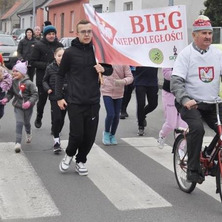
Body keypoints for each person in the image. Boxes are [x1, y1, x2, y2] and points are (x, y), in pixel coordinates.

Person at [56, 19, 113, 176]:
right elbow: (60, 75)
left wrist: (104, 68)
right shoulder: (69, 53)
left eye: (89, 31)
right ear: (77, 33)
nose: (87, 34)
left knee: (89, 136)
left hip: (93, 101)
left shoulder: (97, 51)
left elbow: (109, 70)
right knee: (77, 134)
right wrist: (59, 97)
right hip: (75, 101)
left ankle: (81, 160)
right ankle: (69, 155)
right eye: (83, 32)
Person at [170, 15, 222, 184]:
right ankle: (192, 169)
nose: (208, 36)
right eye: (204, 33)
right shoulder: (186, 54)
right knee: (197, 128)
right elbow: (176, 81)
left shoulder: (217, 54)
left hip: (212, 103)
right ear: (194, 35)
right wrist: (185, 99)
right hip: (191, 104)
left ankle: (210, 155)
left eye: (210, 33)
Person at [0, 61, 38, 153]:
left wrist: (29, 102)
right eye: (13, 71)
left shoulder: (29, 83)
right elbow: (10, 93)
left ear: (23, 72)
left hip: (28, 107)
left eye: (16, 71)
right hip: (18, 105)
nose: (14, 73)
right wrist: (6, 99)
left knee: (26, 122)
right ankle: (18, 143)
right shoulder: (13, 82)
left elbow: (35, 94)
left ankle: (28, 132)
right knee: (19, 122)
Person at [30, 25, 63, 129]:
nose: (51, 36)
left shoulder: (59, 45)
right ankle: (39, 117)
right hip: (43, 79)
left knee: (56, 103)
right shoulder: (39, 45)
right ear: (45, 35)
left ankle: (55, 126)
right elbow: (32, 61)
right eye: (49, 34)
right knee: (42, 101)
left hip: (57, 79)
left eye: (53, 34)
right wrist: (47, 65)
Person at [101, 65, 133, 145]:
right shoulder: (106, 60)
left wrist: (122, 81)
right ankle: (106, 133)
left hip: (119, 93)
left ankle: (112, 135)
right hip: (107, 91)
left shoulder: (123, 63)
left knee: (116, 116)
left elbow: (130, 77)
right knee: (111, 114)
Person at [43, 47, 67, 153]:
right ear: (55, 56)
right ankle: (56, 141)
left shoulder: (69, 67)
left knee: (61, 119)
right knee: (57, 118)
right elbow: (44, 81)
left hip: (66, 97)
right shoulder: (50, 68)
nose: (61, 58)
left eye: (63, 56)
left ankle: (56, 131)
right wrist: (47, 89)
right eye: (59, 56)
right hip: (54, 96)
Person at [157, 68, 188, 149]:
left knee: (183, 124)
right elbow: (166, 74)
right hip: (169, 92)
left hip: (184, 93)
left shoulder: (188, 57)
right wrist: (181, 73)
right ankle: (162, 134)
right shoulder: (169, 58)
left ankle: (180, 148)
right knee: (171, 123)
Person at [134, 66, 159, 136]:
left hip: (152, 81)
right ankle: (140, 126)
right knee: (141, 104)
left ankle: (142, 115)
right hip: (140, 81)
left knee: (153, 104)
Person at [0, 53, 12, 119]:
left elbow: (9, 79)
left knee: (1, 113)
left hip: (1, 92)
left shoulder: (4, 71)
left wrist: (4, 84)